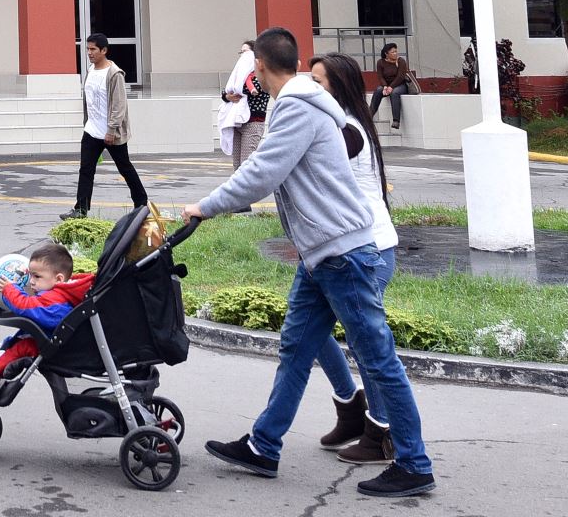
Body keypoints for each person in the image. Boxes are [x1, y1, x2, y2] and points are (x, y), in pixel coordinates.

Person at [184, 27, 434, 500]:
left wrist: (206, 206)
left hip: (343, 254)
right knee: (296, 349)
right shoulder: (300, 102)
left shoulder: (297, 106)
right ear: (295, 63)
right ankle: (264, 445)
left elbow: (262, 172)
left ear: (258, 68)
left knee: (379, 361)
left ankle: (415, 463)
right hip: (324, 254)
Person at [309, 51, 400, 466]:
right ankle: (349, 406)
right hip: (338, 247)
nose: (311, 89)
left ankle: (381, 431)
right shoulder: (337, 124)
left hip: (370, 249)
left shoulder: (346, 131)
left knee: (368, 346)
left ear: (338, 88)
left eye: (319, 82)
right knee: (307, 331)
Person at [0, 241, 92, 399]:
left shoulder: (56, 301)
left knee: (25, 345)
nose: (31, 281)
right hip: (55, 337)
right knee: (28, 330)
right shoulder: (60, 292)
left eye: (37, 276)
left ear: (58, 279)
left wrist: (9, 289)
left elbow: (26, 306)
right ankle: (4, 349)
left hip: (58, 348)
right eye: (31, 275)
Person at [61, 33, 148, 218]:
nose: (89, 53)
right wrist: (87, 123)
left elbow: (119, 104)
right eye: (88, 49)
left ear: (104, 50)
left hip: (111, 133)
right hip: (92, 131)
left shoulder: (114, 74)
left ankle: (141, 203)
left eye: (93, 49)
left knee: (125, 167)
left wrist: (111, 129)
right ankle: (81, 209)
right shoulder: (91, 71)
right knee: (86, 169)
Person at [217, 39, 255, 158]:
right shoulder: (238, 71)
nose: (243, 55)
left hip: (252, 120)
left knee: (246, 162)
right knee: (237, 162)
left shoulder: (258, 72)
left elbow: (253, 90)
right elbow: (228, 90)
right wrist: (228, 96)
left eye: (246, 51)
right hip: (235, 119)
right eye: (241, 52)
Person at [369, 43, 418, 131]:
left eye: (396, 51)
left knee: (394, 93)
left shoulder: (401, 61)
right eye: (392, 52)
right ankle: (369, 115)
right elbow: (380, 76)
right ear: (386, 54)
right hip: (387, 85)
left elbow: (400, 76)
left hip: (400, 85)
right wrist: (384, 86)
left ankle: (396, 120)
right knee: (378, 90)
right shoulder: (380, 62)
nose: (395, 53)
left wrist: (391, 87)